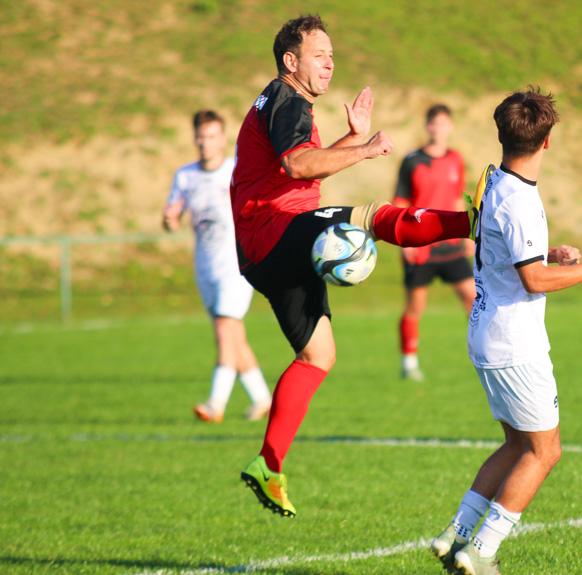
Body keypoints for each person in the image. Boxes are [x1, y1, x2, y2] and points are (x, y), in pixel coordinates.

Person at [232, 14, 477, 518]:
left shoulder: (280, 102)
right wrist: (366, 150)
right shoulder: (288, 100)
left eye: (332, 55)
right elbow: (298, 166)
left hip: (264, 248)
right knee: (372, 216)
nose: (330, 63)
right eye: (320, 55)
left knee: (318, 357)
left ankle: (268, 465)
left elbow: (299, 163)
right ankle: (472, 224)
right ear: (290, 61)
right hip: (275, 229)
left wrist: (350, 139)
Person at [429, 87, 582, 575]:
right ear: (547, 142)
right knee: (546, 451)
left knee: (518, 445)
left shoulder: (495, 181)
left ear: (502, 134)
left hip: (487, 333)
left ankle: (455, 533)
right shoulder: (518, 198)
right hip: (513, 343)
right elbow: (532, 280)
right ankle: (481, 552)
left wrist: (550, 254)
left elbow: (511, 255)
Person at [163, 110, 272, 423]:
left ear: (223, 139)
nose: (204, 143)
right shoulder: (185, 176)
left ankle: (215, 404)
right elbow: (171, 219)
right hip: (205, 267)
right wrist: (169, 218)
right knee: (230, 336)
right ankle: (263, 398)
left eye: (211, 136)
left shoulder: (236, 171)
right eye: (200, 136)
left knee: (226, 331)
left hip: (236, 265)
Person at [394, 104, 476, 381]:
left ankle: (482, 354)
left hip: (450, 243)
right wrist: (405, 241)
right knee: (416, 307)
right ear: (427, 127)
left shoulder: (456, 159)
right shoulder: (412, 160)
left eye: (443, 124)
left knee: (473, 299)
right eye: (433, 123)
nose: (438, 128)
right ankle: (409, 363)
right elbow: (400, 202)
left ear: (450, 127)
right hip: (421, 245)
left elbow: (456, 199)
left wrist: (467, 235)